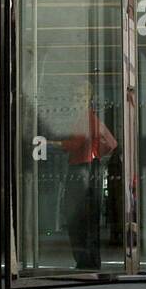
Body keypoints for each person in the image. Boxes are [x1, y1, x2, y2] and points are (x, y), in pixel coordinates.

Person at [55, 80, 118, 272]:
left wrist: (50, 143)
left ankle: (84, 261)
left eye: (81, 96)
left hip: (81, 169)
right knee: (88, 217)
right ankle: (90, 260)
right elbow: (112, 143)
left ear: (88, 98)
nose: (77, 99)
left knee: (77, 218)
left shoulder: (84, 118)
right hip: (91, 167)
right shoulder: (92, 118)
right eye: (75, 96)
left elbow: (73, 144)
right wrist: (98, 153)